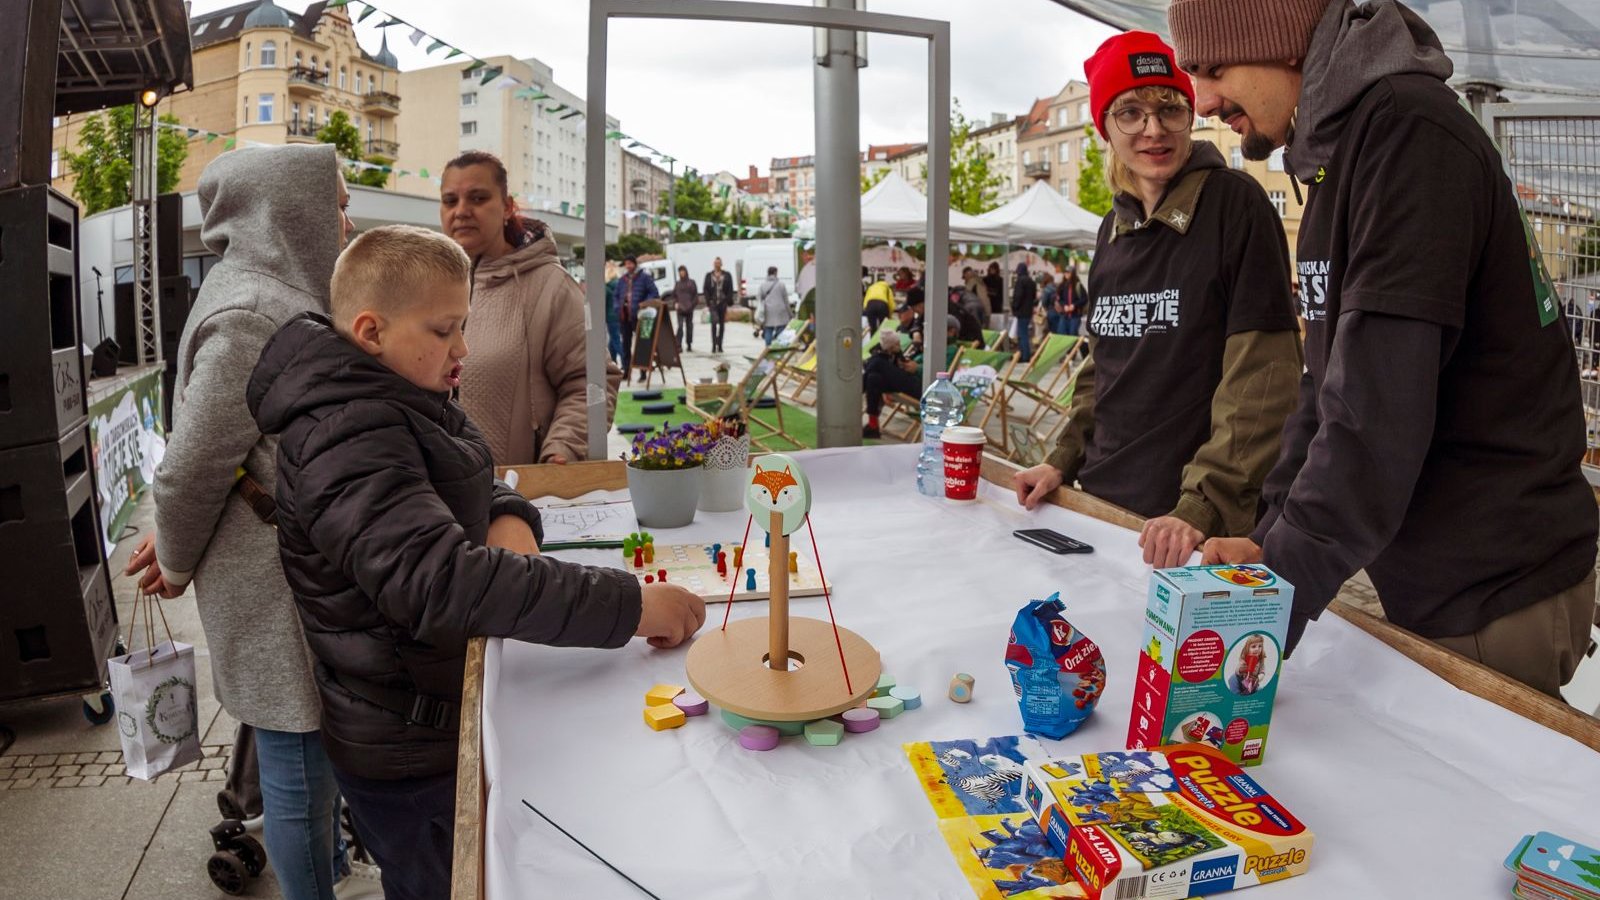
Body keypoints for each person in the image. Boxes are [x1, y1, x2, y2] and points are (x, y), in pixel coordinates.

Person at [246, 225, 707, 900]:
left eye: (464, 325)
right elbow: (439, 583)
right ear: (371, 330)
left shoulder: (391, 388)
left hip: (431, 711)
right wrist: (630, 606)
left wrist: (508, 515)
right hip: (411, 749)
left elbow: (463, 469)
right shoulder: (344, 431)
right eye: (445, 330)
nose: (463, 348)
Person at [1170, 0, 1597, 695]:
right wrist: (1268, 534)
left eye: (1215, 68)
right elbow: (1325, 384)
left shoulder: (1407, 134)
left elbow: (1375, 413)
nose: (1206, 101)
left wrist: (1266, 605)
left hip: (1493, 581)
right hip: (1435, 569)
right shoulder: (1335, 157)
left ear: (1282, 42)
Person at [129, 144, 352, 900]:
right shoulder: (255, 311)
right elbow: (192, 465)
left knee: (310, 764)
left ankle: (326, 869)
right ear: (289, 210)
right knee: (293, 770)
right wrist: (180, 559)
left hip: (283, 577)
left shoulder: (266, 294)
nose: (345, 221)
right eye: (336, 204)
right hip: (272, 588)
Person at [1014, 31, 1302, 572]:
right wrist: (1060, 460)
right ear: (1105, 126)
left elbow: (1263, 378)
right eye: (1130, 112)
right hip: (1100, 507)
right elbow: (1103, 370)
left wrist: (1202, 504)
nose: (1154, 129)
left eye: (1170, 109)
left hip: (1186, 527)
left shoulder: (1235, 205)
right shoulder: (1112, 230)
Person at [439, 151, 622, 466]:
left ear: (507, 207)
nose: (461, 211)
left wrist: (562, 448)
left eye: (478, 198)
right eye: (450, 200)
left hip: (525, 493)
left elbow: (591, 380)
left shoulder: (550, 286)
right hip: (438, 493)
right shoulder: (430, 286)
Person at [862, 331, 921, 439]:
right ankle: (873, 426)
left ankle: (858, 388)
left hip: (918, 384)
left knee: (877, 363)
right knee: (873, 378)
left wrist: (917, 368)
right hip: (902, 378)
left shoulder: (946, 349)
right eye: (896, 344)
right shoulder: (892, 353)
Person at [613, 254, 659, 378]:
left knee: (641, 345)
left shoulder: (644, 278)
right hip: (624, 317)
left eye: (630, 263)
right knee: (625, 346)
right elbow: (616, 296)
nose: (628, 266)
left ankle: (643, 372)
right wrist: (617, 307)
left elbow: (654, 292)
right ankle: (626, 372)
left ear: (635, 264)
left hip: (640, 316)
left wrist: (644, 304)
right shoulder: (622, 280)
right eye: (626, 263)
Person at [703, 257, 735, 353]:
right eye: (715, 263)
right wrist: (708, 301)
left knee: (721, 324)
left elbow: (730, 288)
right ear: (713, 264)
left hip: (722, 302)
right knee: (714, 323)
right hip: (713, 303)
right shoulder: (709, 275)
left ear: (721, 264)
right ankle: (713, 344)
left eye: (719, 263)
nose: (717, 265)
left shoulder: (727, 275)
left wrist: (727, 300)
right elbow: (705, 289)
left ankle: (720, 344)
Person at [1011, 263, 1038, 363]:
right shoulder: (1031, 282)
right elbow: (1034, 297)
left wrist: (1014, 307)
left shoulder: (1020, 281)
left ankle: (1024, 355)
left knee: (1022, 334)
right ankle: (1025, 354)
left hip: (1021, 311)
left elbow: (1018, 296)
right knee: (1025, 333)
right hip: (1028, 311)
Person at [757, 266, 791, 345]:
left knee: (768, 329)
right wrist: (790, 314)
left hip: (768, 311)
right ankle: (780, 347)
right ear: (775, 273)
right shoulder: (781, 285)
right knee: (781, 329)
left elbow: (759, 298)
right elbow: (786, 300)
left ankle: (768, 348)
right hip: (781, 311)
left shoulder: (762, 285)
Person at [671, 264, 698, 353]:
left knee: (689, 326)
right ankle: (678, 345)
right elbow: (674, 296)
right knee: (680, 326)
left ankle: (689, 344)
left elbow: (695, 296)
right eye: (680, 272)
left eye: (683, 271)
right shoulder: (677, 284)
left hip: (689, 308)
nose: (682, 273)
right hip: (680, 309)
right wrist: (676, 303)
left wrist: (692, 305)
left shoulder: (691, 283)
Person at [1057, 268, 1086, 336]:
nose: (1066, 274)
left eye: (1068, 273)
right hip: (1064, 315)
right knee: (1061, 333)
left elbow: (1085, 298)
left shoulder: (1078, 285)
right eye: (1065, 272)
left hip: (1075, 315)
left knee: (1072, 335)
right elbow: (1059, 299)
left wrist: (1074, 305)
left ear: (1072, 274)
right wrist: (1064, 305)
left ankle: (1073, 347)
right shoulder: (1062, 285)